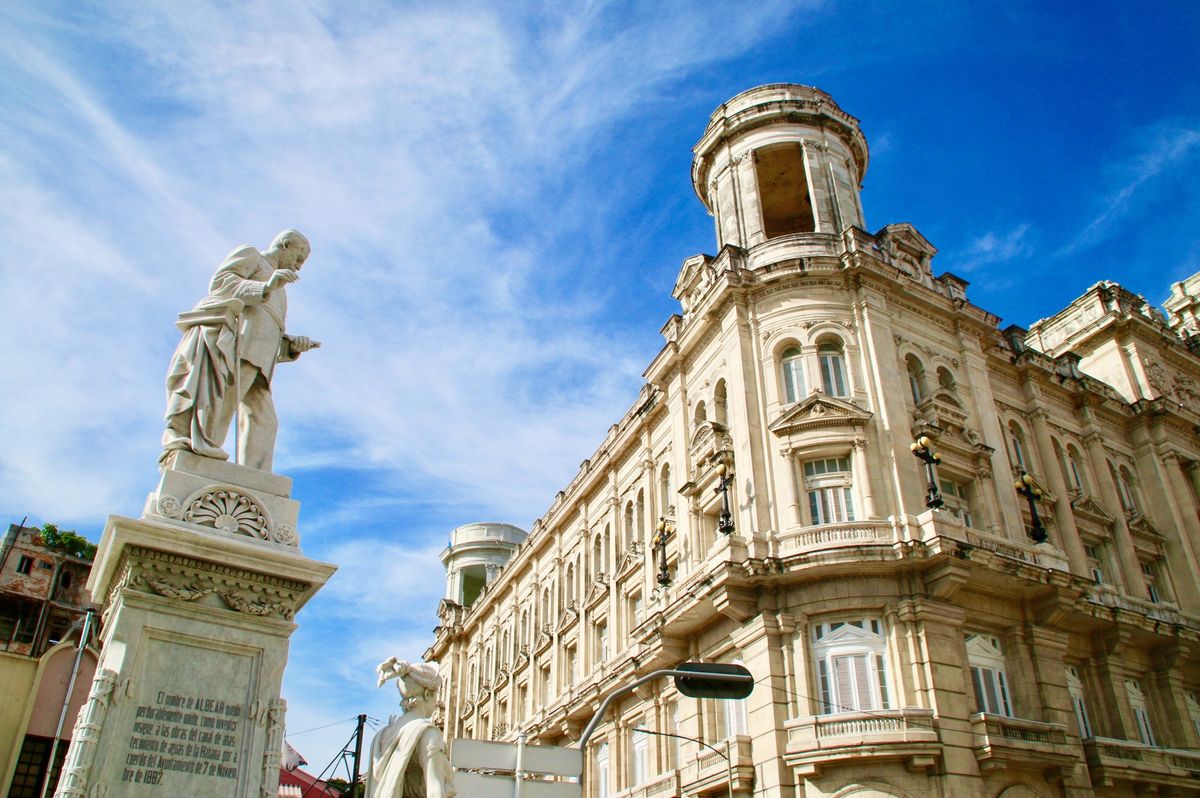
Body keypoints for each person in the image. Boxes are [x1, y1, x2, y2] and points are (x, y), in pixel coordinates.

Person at [160, 230, 319, 471]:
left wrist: (290, 345)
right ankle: (203, 455)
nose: (298, 267)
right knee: (222, 404)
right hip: (238, 347)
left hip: (262, 358)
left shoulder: (282, 292)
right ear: (285, 244)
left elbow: (267, 325)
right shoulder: (252, 256)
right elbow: (221, 283)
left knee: (265, 420)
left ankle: (255, 477)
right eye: (298, 259)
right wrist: (265, 286)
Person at [366, 658, 456, 798]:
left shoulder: (382, 736)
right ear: (428, 694)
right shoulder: (426, 733)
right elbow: (435, 791)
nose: (437, 701)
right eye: (436, 694)